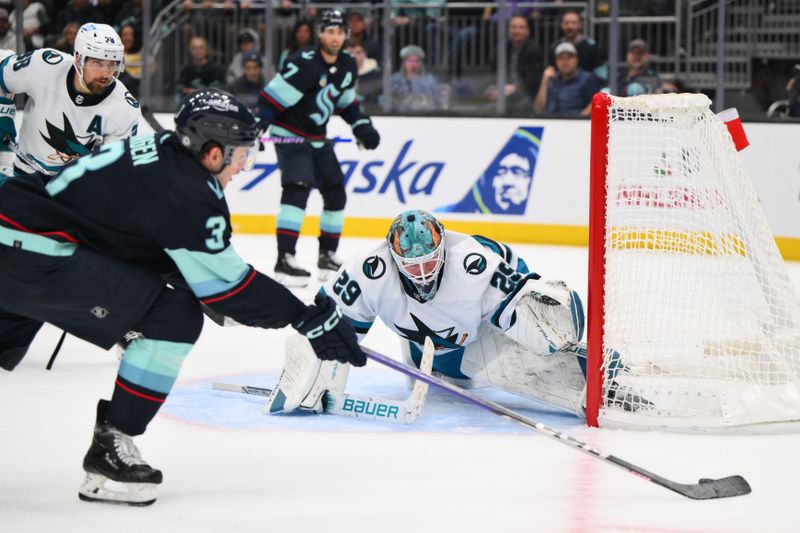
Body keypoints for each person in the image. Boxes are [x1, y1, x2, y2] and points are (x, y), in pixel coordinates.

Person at [0, 88, 367, 506]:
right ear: (213, 152)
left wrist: (202, 282)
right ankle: (112, 447)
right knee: (173, 318)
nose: (245, 164)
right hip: (34, 253)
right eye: (242, 152)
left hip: (15, 227)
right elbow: (231, 289)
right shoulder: (189, 193)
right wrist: (304, 317)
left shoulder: (161, 150)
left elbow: (136, 236)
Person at [266, 209, 590, 418]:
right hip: (433, 345)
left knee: (517, 351)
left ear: (443, 248)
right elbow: (327, 321)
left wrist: (547, 327)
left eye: (429, 262)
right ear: (394, 257)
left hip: (487, 310)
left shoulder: (474, 264)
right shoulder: (370, 270)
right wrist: (317, 372)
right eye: (411, 265)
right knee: (457, 374)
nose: (421, 274)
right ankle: (429, 356)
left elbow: (520, 307)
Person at [257, 9, 381, 287]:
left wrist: (361, 126)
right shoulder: (304, 63)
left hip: (316, 137)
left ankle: (327, 256)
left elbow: (348, 103)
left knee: (336, 191)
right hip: (289, 134)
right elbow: (270, 100)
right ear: (320, 34)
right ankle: (284, 259)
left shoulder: (348, 64)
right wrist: (257, 126)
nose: (334, 37)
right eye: (329, 31)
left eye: (339, 32)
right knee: (298, 187)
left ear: (346, 35)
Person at [0, 22, 140, 177]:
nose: (106, 74)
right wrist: (2, 114)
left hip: (75, 189)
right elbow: (2, 67)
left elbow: (115, 171)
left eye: (112, 65)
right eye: (97, 63)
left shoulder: (125, 107)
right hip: (25, 176)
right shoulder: (44, 66)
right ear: (79, 59)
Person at [486, 14, 543, 113]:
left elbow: (533, 79)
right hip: (503, 92)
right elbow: (494, 73)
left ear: (527, 31)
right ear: (509, 30)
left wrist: (515, 88)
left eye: (521, 27)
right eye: (514, 27)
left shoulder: (534, 50)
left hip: (526, 95)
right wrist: (495, 87)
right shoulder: (501, 49)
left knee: (522, 105)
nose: (517, 31)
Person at [535, 42, 601, 116]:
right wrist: (544, 81)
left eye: (569, 57)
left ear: (577, 59)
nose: (565, 62)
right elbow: (538, 109)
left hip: (576, 124)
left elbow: (597, 104)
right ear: (556, 61)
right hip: (549, 123)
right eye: (561, 58)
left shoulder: (587, 79)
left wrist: (579, 120)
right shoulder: (551, 80)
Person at [388, 44, 448, 112]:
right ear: (403, 63)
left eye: (416, 61)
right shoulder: (394, 80)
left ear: (421, 63)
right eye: (409, 61)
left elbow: (438, 102)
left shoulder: (430, 80)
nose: (413, 64)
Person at [547, 9, 603, 74]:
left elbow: (600, 72)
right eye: (566, 23)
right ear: (561, 25)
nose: (570, 26)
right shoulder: (555, 47)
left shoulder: (591, 46)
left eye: (573, 23)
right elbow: (550, 70)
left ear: (580, 25)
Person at [175, 35, 226, 103]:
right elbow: (179, 91)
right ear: (189, 50)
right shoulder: (185, 70)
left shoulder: (218, 70)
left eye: (201, 48)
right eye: (194, 48)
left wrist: (196, 92)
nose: (198, 51)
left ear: (206, 50)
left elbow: (222, 92)